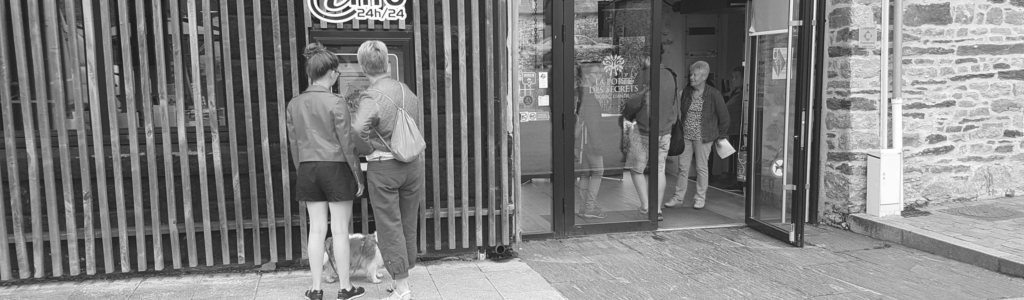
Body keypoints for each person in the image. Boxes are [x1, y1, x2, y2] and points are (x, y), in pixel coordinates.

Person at [288, 42, 368, 300]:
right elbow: (347, 144)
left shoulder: (294, 104)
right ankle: (345, 288)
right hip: (335, 168)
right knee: (340, 230)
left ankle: (315, 288)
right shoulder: (336, 102)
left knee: (317, 229)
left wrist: (302, 170)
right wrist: (358, 176)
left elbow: (293, 144)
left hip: (308, 168)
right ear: (332, 73)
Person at [352, 40, 424, 300]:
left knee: (389, 226)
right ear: (386, 62)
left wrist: (368, 149)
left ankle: (403, 288)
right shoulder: (406, 90)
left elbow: (357, 131)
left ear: (363, 66)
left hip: (384, 167)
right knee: (407, 222)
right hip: (412, 164)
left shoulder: (371, 95)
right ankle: (400, 278)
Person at [664, 61, 730, 210]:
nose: (691, 77)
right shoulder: (686, 92)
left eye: (695, 75)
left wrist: (721, 136)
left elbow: (724, 117)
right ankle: (678, 197)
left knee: (701, 167)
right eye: (691, 74)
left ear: (704, 76)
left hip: (704, 137)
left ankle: (700, 198)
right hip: (686, 136)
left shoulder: (714, 94)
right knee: (683, 167)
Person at [622, 56, 680, 221]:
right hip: (665, 131)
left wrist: (627, 114)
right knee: (659, 170)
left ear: (648, 58)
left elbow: (633, 103)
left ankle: (646, 206)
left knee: (636, 169)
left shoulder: (644, 75)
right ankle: (658, 210)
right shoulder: (670, 75)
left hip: (643, 131)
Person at [575, 62, 606, 219]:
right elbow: (591, 124)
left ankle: (583, 207)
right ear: (587, 75)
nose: (598, 76)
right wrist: (597, 146)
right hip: (590, 142)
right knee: (598, 172)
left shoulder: (579, 93)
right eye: (596, 73)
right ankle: (590, 207)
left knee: (586, 174)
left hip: (582, 143)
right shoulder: (588, 95)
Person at [722, 66, 744, 191]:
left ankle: (739, 180)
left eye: (737, 77)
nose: (734, 80)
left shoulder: (743, 93)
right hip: (733, 128)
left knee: (738, 155)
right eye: (732, 77)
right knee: (733, 154)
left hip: (739, 129)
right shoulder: (734, 92)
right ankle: (735, 179)